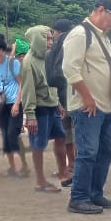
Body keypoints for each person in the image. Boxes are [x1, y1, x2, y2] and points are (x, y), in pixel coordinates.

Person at [62, 0, 111, 214]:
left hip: (105, 106)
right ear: (99, 10)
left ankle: (95, 193)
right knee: (88, 152)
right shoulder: (80, 34)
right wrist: (87, 97)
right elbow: (70, 69)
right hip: (88, 105)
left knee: (105, 151)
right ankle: (78, 197)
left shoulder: (104, 37)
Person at [20, 25, 68, 193]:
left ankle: (64, 173)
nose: (50, 42)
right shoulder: (28, 63)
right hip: (39, 109)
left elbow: (52, 83)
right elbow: (28, 91)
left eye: (51, 39)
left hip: (52, 106)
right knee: (38, 144)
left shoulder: (48, 57)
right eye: (46, 39)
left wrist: (58, 103)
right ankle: (40, 181)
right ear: (36, 40)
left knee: (61, 137)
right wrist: (30, 115)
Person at [0, 34, 25, 177]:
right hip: (2, 105)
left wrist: (17, 103)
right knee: (6, 137)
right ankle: (13, 167)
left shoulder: (13, 63)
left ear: (1, 50)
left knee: (12, 135)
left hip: (14, 103)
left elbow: (22, 84)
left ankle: (21, 168)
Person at [48, 19, 75, 186]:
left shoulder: (59, 48)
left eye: (53, 34)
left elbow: (56, 75)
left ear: (58, 32)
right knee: (71, 134)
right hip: (71, 96)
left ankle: (71, 166)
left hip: (66, 97)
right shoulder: (74, 43)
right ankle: (72, 165)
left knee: (67, 134)